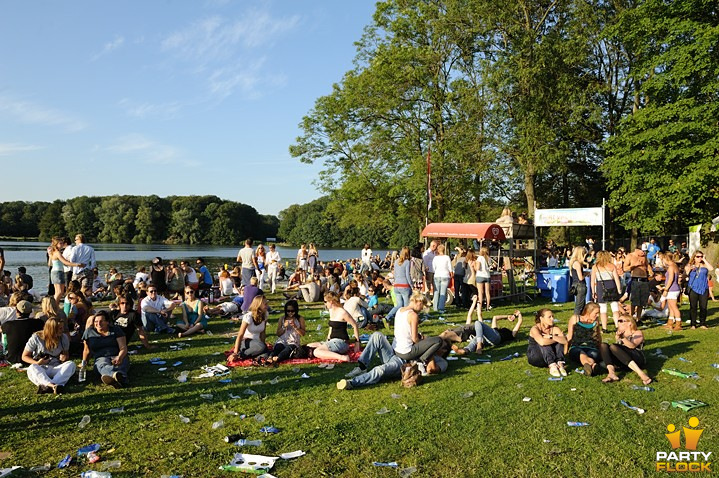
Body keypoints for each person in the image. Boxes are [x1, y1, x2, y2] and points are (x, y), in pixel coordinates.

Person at [22, 317, 76, 394]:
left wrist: (65, 358)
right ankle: (54, 386)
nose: (62, 330)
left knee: (71, 364)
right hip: (41, 368)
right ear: (52, 329)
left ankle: (48, 386)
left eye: (62, 328)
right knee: (32, 367)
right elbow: (24, 356)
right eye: (60, 328)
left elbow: (66, 355)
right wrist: (37, 363)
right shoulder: (36, 337)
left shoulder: (63, 338)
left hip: (56, 368)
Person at [336, 331, 405, 390]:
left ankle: (351, 382)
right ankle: (362, 367)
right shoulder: (401, 317)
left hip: (402, 361)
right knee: (377, 335)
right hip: (394, 353)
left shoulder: (413, 318)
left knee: (379, 370)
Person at [307, 292, 361, 362]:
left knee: (316, 352)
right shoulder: (331, 311)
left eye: (325, 302)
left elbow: (355, 325)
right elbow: (331, 327)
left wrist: (357, 342)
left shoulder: (343, 312)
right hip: (332, 340)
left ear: (331, 302)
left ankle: (342, 357)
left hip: (341, 342)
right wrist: (327, 340)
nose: (325, 304)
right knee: (309, 345)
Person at [393, 291, 443, 364]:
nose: (421, 309)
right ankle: (422, 359)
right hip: (406, 352)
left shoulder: (400, 310)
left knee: (426, 340)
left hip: (396, 349)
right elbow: (414, 339)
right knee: (438, 340)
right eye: (422, 306)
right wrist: (423, 343)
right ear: (419, 302)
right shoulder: (413, 315)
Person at [82, 310, 129, 388]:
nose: (98, 324)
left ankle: (114, 378)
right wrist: (84, 364)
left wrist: (119, 357)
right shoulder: (89, 332)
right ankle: (119, 377)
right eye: (96, 321)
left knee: (122, 363)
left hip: (117, 355)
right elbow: (86, 350)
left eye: (101, 321)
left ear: (107, 322)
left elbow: (123, 347)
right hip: (101, 357)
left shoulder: (115, 330)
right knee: (101, 365)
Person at [600, 315, 652, 385]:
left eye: (621, 321)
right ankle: (611, 373)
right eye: (618, 321)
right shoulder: (619, 334)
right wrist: (619, 338)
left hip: (637, 358)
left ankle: (641, 373)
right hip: (624, 361)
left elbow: (632, 346)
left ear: (630, 323)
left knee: (613, 346)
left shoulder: (637, 333)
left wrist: (623, 338)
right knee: (603, 346)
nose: (618, 323)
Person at [448, 310, 522, 355]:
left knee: (478, 323)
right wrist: (507, 316)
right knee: (475, 340)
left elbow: (519, 322)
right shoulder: (493, 330)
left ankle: (479, 345)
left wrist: (519, 315)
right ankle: (465, 350)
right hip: (490, 339)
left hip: (497, 338)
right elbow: (495, 318)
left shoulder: (511, 334)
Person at [527, 308, 568, 377]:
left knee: (557, 340)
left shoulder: (554, 328)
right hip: (536, 356)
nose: (552, 319)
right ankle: (552, 366)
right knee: (545, 342)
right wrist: (555, 338)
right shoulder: (535, 329)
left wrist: (552, 336)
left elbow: (564, 340)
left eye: (553, 316)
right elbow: (542, 342)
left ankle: (560, 363)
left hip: (550, 355)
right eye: (549, 317)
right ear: (541, 318)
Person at [228, 295, 269, 361]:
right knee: (262, 347)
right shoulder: (248, 317)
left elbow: (263, 332)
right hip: (246, 341)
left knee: (265, 352)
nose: (267, 306)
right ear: (259, 305)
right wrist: (235, 352)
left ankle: (257, 355)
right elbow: (240, 335)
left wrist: (263, 343)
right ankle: (240, 355)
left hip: (257, 342)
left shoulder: (265, 314)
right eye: (265, 304)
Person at [566, 303, 602, 376]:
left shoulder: (596, 321)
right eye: (596, 313)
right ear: (588, 312)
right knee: (581, 353)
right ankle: (593, 365)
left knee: (592, 354)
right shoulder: (575, 319)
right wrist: (565, 351)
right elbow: (569, 336)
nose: (598, 315)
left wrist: (601, 350)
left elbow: (598, 336)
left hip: (592, 347)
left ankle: (588, 366)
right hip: (576, 346)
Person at [266, 300, 306, 366]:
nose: (290, 313)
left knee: (288, 349)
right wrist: (284, 327)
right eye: (288, 311)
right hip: (282, 340)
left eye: (292, 311)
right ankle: (270, 357)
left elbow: (303, 333)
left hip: (293, 341)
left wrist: (295, 327)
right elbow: (278, 334)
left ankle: (278, 358)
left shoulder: (299, 319)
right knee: (278, 347)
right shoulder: (282, 318)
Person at [590, 250, 622, 332]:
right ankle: (617, 326)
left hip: (601, 287)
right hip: (612, 286)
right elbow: (616, 279)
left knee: (603, 309)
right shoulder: (612, 266)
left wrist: (593, 292)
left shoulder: (595, 267)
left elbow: (592, 281)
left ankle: (604, 328)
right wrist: (619, 289)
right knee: (615, 308)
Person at [48, 236, 83, 304]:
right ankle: (54, 306)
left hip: (54, 272)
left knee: (58, 292)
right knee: (60, 292)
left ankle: (55, 305)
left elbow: (50, 264)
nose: (62, 244)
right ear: (56, 244)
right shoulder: (57, 253)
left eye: (62, 243)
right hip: (58, 272)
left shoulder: (52, 252)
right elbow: (65, 262)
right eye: (60, 243)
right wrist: (77, 264)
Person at [685, 250, 714, 329]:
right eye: (698, 257)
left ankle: (702, 323)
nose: (700, 258)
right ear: (694, 257)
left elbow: (711, 268)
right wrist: (690, 268)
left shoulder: (704, 265)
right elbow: (686, 273)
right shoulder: (690, 265)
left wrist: (704, 260)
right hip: (693, 288)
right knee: (693, 307)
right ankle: (693, 324)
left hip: (703, 288)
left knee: (703, 307)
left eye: (701, 256)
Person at [623, 247, 653, 320]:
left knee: (642, 301)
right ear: (637, 250)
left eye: (645, 251)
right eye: (642, 251)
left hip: (644, 280)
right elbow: (625, 268)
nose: (644, 253)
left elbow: (647, 265)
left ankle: (638, 318)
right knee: (634, 301)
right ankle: (631, 317)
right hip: (636, 280)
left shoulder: (644, 257)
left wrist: (650, 270)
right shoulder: (630, 256)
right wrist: (634, 265)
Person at [660, 252, 683, 330]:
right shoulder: (674, 265)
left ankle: (678, 324)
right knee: (671, 307)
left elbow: (671, 279)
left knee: (674, 307)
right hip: (674, 289)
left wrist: (666, 289)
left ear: (666, 259)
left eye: (663, 259)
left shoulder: (671, 267)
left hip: (672, 289)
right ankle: (670, 323)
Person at [432, 244, 453, 313]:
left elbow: (433, 268)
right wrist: (451, 273)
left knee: (436, 292)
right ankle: (441, 307)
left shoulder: (435, 258)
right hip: (445, 275)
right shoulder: (447, 257)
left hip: (437, 275)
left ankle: (435, 307)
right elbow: (450, 267)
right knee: (443, 292)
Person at [569, 246, 588, 316]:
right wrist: (586, 274)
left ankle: (579, 321)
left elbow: (572, 275)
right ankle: (575, 321)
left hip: (575, 284)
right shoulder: (578, 263)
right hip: (580, 285)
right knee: (579, 306)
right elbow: (580, 277)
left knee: (580, 305)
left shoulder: (572, 263)